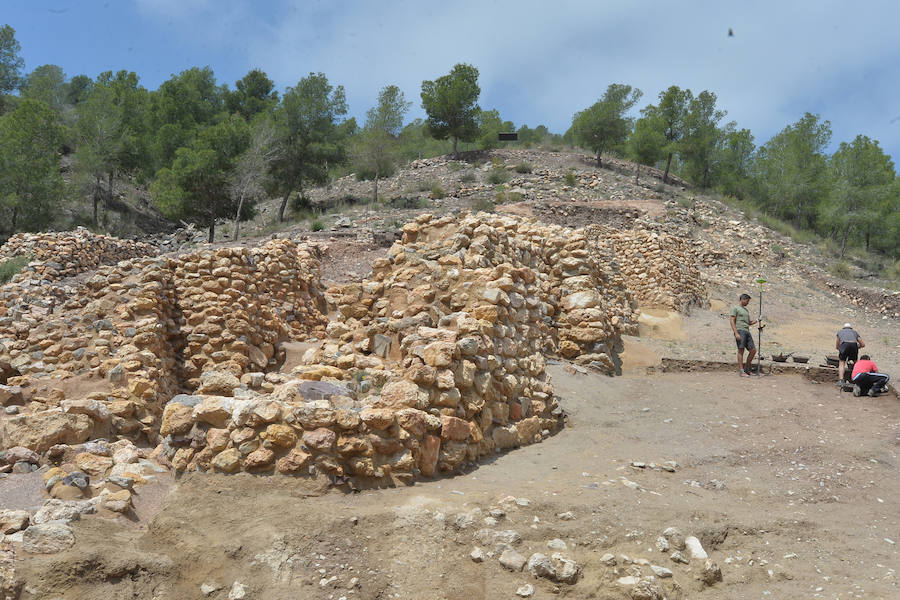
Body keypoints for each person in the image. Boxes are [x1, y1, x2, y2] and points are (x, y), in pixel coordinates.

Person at [730, 293, 763, 377]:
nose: (748, 303)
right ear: (743, 299)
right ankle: (741, 371)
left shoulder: (746, 310)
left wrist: (757, 320)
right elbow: (732, 321)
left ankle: (747, 369)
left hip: (747, 331)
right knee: (741, 350)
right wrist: (736, 333)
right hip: (740, 331)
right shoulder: (735, 308)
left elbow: (748, 323)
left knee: (753, 350)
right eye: (747, 301)